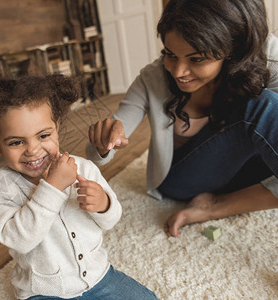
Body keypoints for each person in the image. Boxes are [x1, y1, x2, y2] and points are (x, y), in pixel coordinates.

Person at [87, 0, 278, 237]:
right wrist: (103, 142)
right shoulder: (152, 79)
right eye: (170, 54)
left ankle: (215, 206)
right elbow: (100, 155)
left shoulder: (261, 57)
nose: (178, 72)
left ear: (231, 50)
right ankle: (214, 204)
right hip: (182, 180)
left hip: (244, 173)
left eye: (196, 59)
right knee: (263, 105)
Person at [0, 75, 158, 300]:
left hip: (98, 277)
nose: (33, 150)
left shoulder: (83, 168)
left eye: (44, 135)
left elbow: (111, 220)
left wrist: (104, 205)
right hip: (44, 292)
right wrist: (52, 188)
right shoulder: (0, 188)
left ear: (56, 128)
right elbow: (19, 240)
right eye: (16, 142)